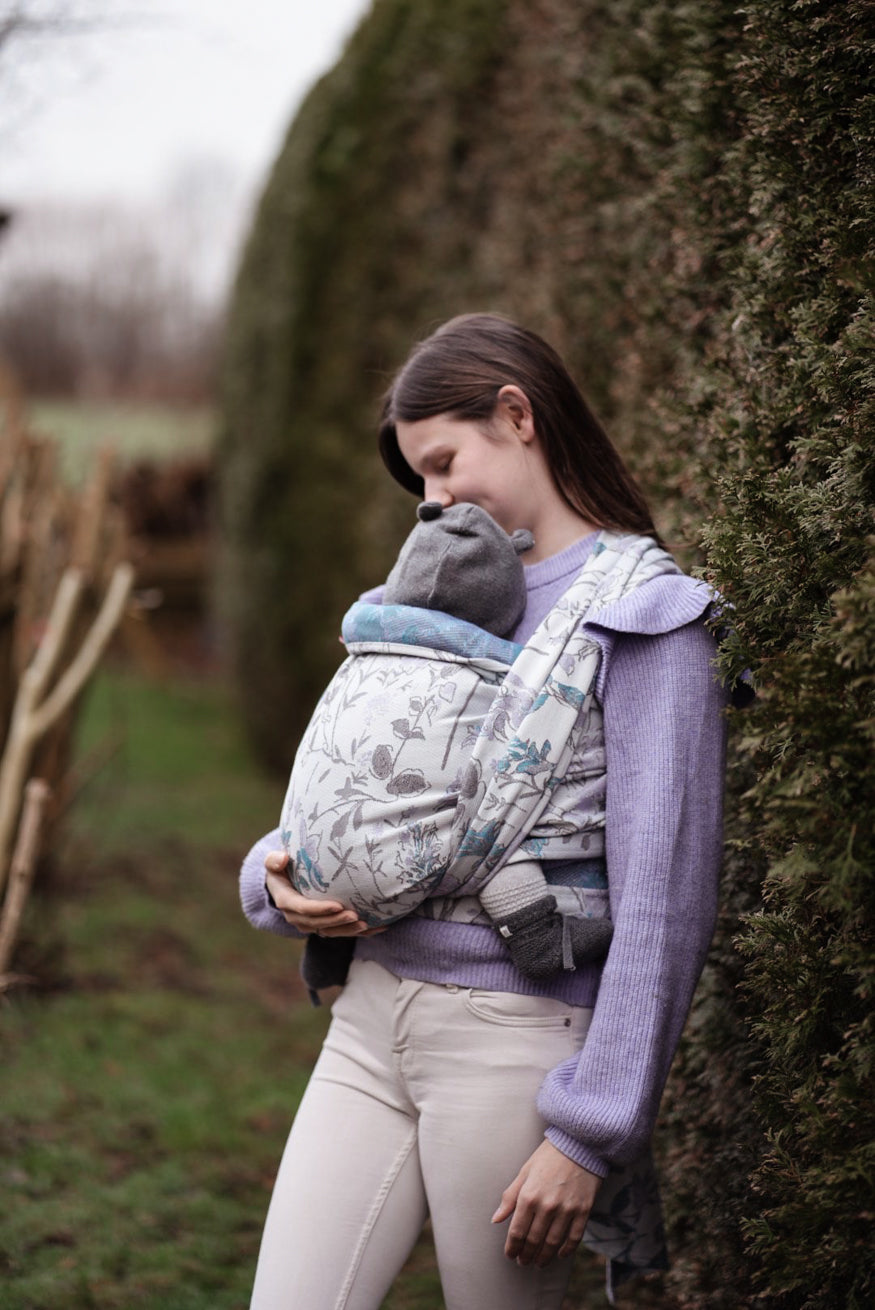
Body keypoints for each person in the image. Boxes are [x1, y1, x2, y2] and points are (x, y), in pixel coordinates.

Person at [239, 313, 728, 1310]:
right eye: (417, 477)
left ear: (517, 414)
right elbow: (355, 778)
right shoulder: (438, 592)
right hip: (368, 1021)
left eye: (442, 460)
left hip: (511, 1046)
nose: (433, 500)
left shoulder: (645, 614)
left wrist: (588, 1131)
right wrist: (279, 873)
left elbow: (663, 901)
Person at [281, 496, 615, 988]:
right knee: (495, 816)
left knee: (336, 777)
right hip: (397, 878)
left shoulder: (362, 647)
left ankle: (327, 949)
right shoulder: (502, 671)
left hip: (302, 861)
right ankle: (537, 935)